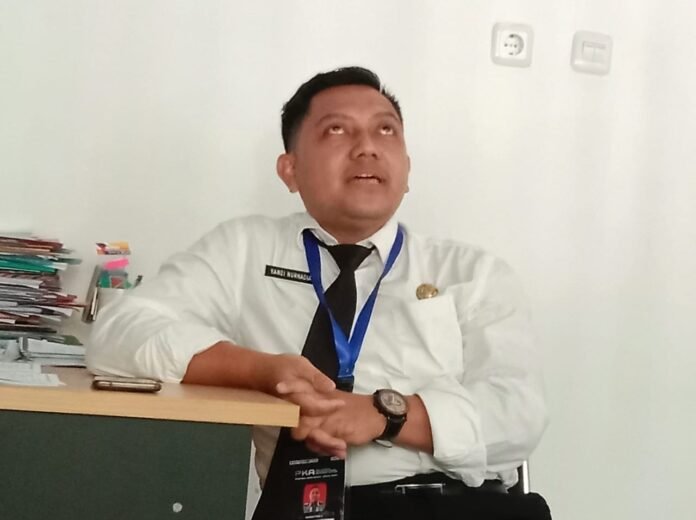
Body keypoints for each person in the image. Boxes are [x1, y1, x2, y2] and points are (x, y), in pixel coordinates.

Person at [87, 66, 549, 519]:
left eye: (386, 130)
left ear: (407, 170)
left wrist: (385, 415)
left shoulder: (472, 273)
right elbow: (119, 332)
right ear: (290, 170)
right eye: (337, 130)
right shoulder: (244, 249)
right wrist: (261, 372)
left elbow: (518, 412)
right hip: (303, 509)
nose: (367, 147)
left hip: (459, 505)